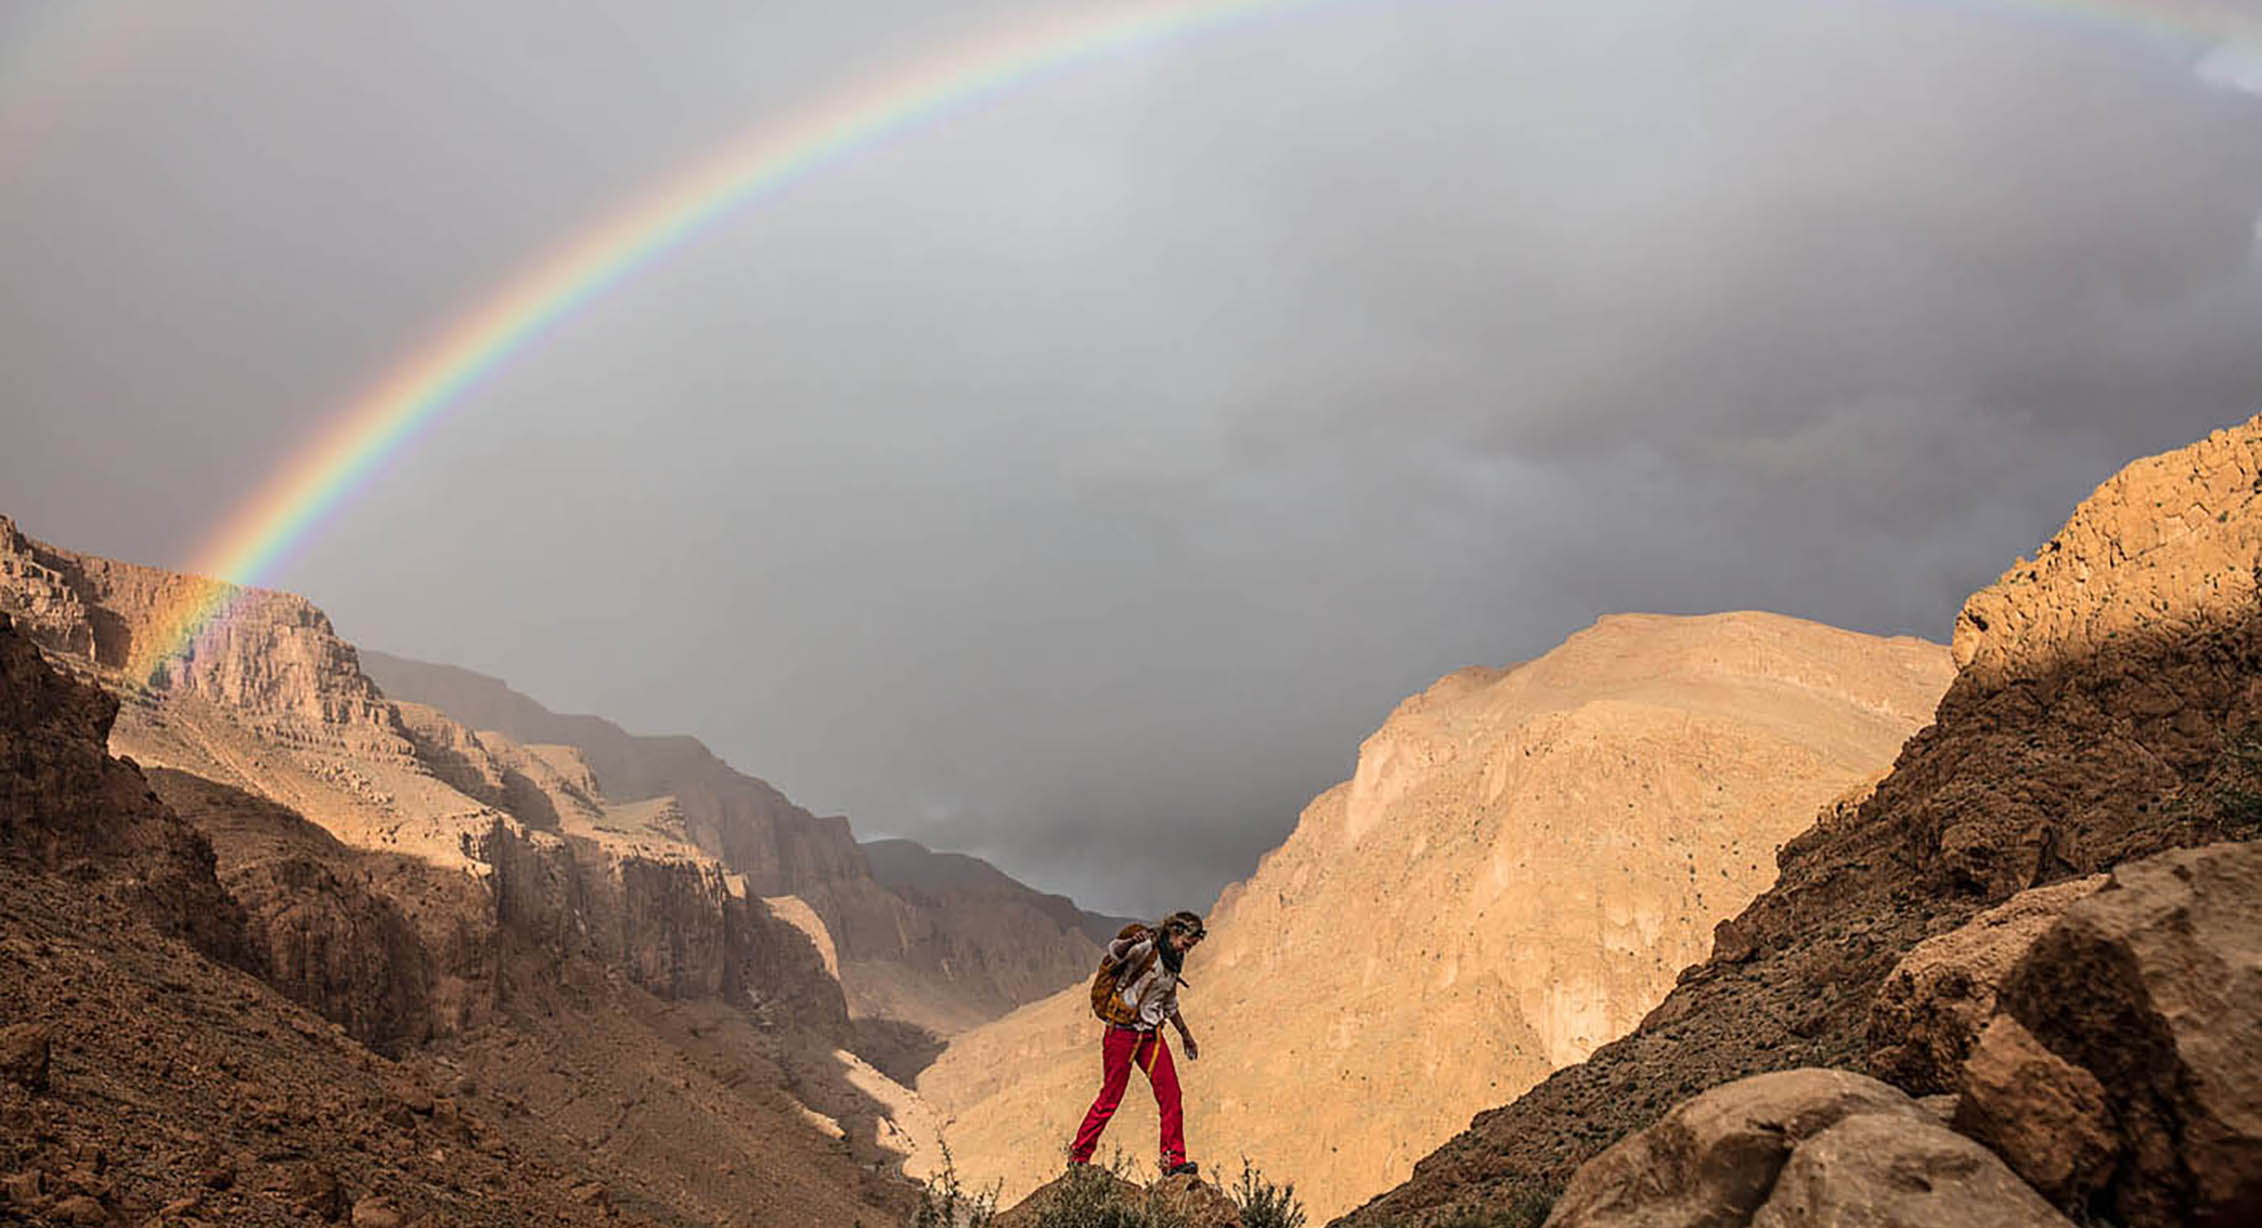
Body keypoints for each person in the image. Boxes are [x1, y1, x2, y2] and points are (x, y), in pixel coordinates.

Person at [1069, 910, 1206, 1177]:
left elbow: (1168, 1002)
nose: (1188, 949)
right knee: (1110, 1098)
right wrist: (1131, 942)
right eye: (1186, 943)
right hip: (1122, 1033)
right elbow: (1115, 952)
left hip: (1151, 1036)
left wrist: (1185, 1035)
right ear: (1175, 933)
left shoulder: (1174, 959)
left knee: (1171, 1096)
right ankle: (1079, 1156)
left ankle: (1173, 1161)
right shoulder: (1146, 948)